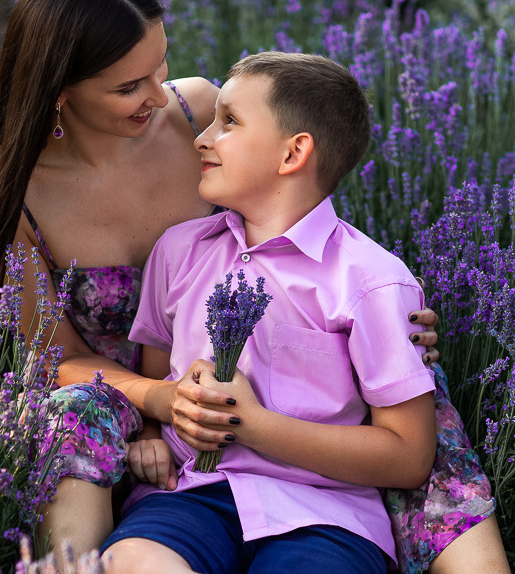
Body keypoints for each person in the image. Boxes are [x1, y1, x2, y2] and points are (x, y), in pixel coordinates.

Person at [0, 0, 505, 572]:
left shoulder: (195, 109)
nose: (157, 96)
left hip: (283, 402)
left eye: (161, 65)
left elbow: (294, 219)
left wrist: (387, 310)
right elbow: (52, 358)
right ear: (60, 90)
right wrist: (160, 403)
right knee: (73, 417)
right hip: (144, 411)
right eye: (128, 87)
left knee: (423, 404)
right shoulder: (0, 192)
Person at [99, 52, 493, 573]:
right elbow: (158, 385)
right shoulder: (178, 251)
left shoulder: (371, 280)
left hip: (324, 516)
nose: (202, 138)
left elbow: (407, 456)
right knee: (129, 563)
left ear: (293, 154)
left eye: (229, 121)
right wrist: (152, 437)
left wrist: (250, 424)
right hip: (189, 495)